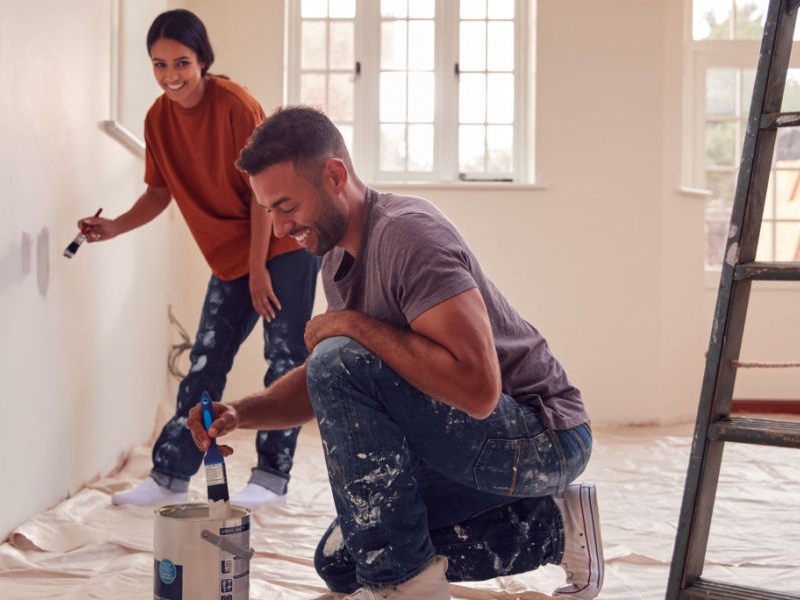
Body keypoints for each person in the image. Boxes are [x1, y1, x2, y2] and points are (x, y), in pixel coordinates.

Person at [188, 106, 604, 599]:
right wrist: (239, 412)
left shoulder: (410, 234)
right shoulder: (336, 260)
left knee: (340, 362)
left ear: (335, 176)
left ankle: (407, 588)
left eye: (286, 206)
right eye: (269, 212)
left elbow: (478, 390)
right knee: (345, 561)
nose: (279, 229)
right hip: (474, 443)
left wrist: (351, 325)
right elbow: (327, 381)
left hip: (541, 436)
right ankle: (556, 525)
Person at [79, 10, 320, 510]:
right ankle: (169, 475)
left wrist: (259, 268)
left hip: (285, 244)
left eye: (182, 62)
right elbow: (159, 191)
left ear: (203, 60)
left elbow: (263, 194)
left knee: (284, 361)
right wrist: (114, 227)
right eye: (159, 64)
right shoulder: (155, 120)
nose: (171, 75)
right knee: (205, 364)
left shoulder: (236, 105)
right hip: (233, 256)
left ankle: (271, 478)